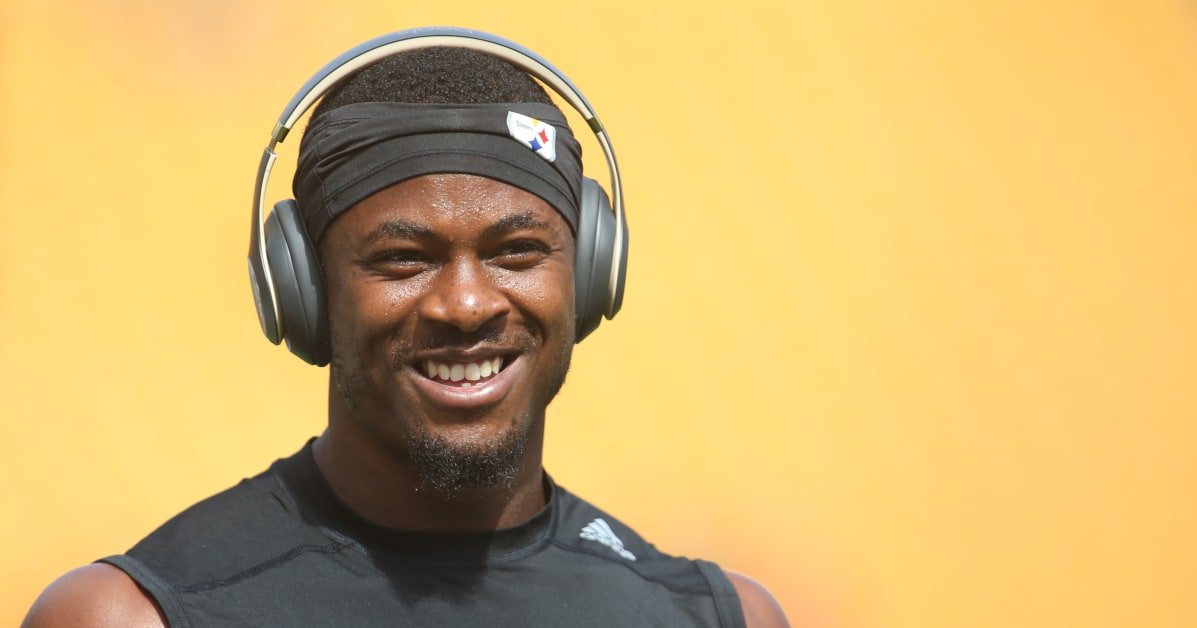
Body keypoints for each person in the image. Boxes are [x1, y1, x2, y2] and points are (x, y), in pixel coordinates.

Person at [23, 28, 790, 627]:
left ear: (591, 276)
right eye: (402, 259)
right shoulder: (131, 618)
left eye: (516, 251)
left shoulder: (719, 618)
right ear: (305, 293)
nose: (464, 305)